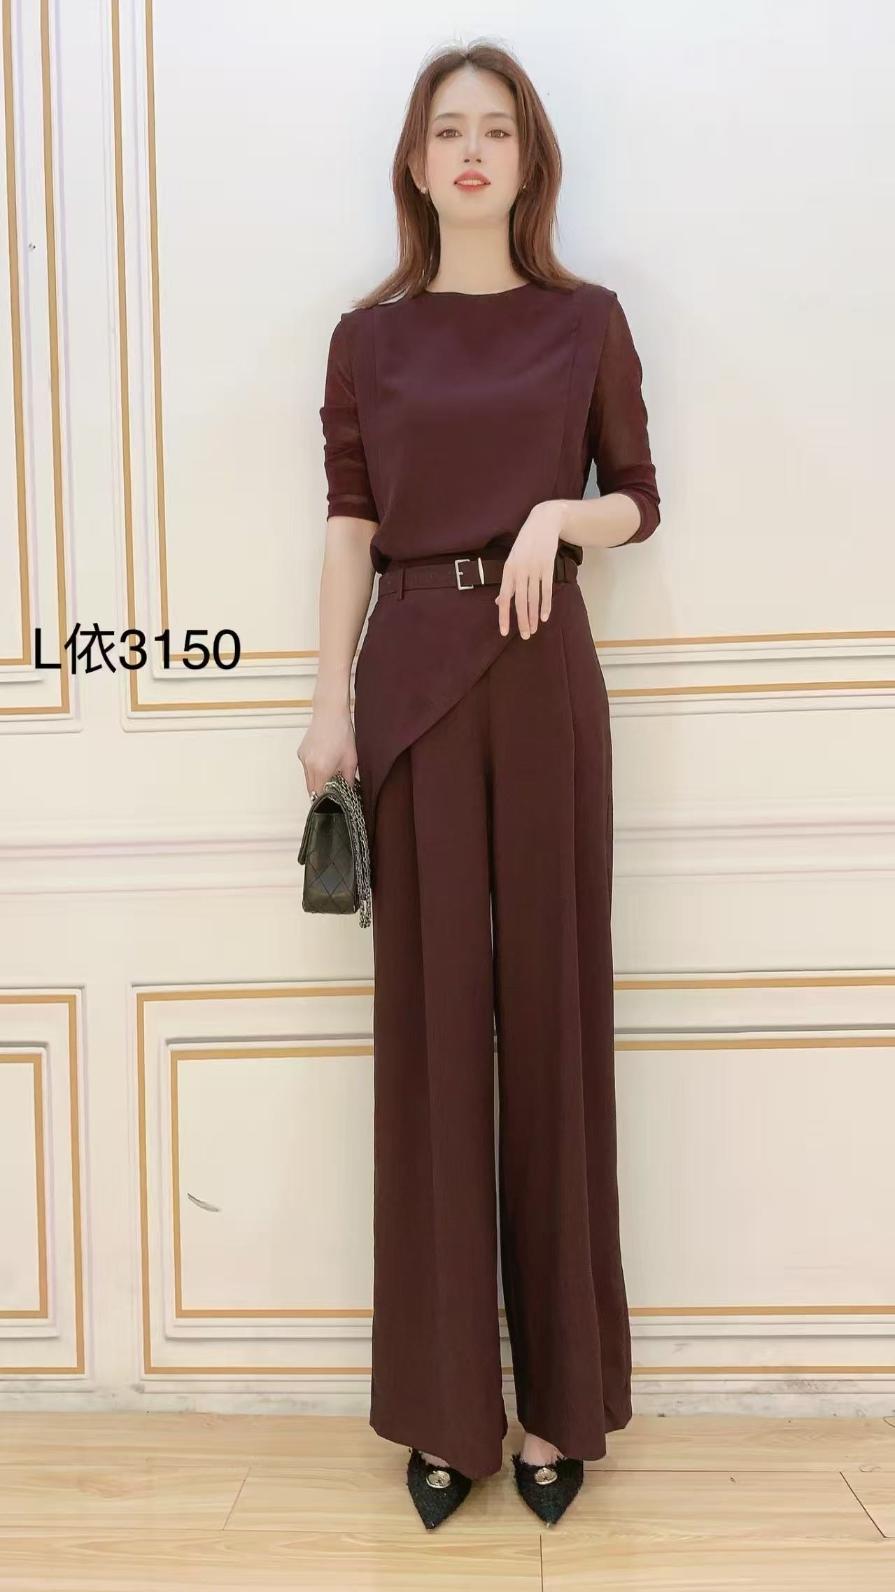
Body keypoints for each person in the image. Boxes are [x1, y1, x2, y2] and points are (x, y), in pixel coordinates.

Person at [298, 38, 661, 1530]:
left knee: (555, 1024)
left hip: (543, 678)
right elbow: (349, 523)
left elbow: (642, 500)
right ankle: (449, 1409)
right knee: (435, 1045)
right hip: (411, 690)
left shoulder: (587, 322)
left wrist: (557, 520)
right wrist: (326, 703)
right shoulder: (366, 342)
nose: (469, 150)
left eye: (495, 131)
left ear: (527, 161)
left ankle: (562, 1405)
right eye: (447, 129)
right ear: (414, 161)